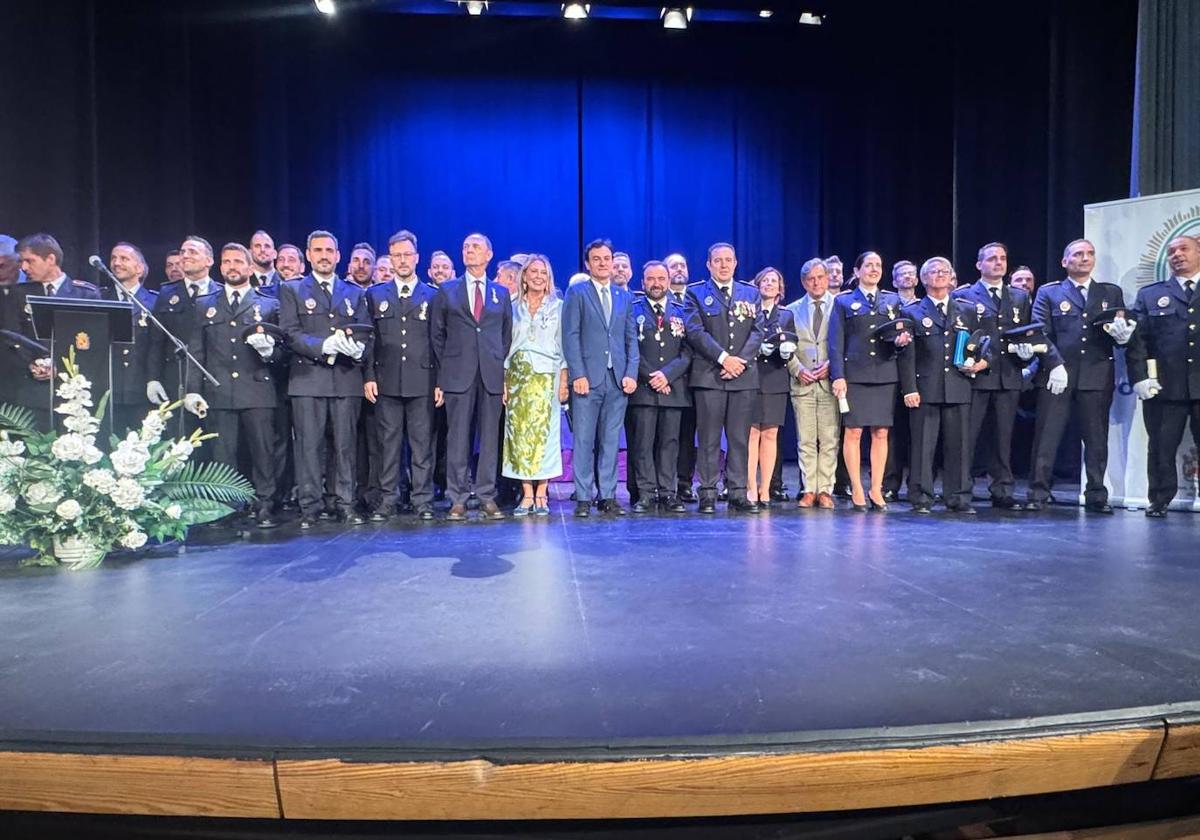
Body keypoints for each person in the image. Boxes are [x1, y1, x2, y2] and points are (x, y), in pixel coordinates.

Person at [1026, 238, 1130, 513]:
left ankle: (1097, 495)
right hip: (1057, 376)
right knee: (1047, 436)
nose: (1084, 258)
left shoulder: (1109, 292)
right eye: (1077, 254)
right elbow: (1041, 331)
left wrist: (1123, 338)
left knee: (1096, 439)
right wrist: (1054, 363)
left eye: (1089, 254)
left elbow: (1117, 332)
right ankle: (1038, 493)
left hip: (1096, 375)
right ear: (1064, 261)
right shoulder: (1050, 293)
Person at [184, 243, 284, 528]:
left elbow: (281, 353)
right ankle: (225, 506)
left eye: (239, 262)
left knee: (262, 453)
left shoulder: (267, 304)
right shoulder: (206, 304)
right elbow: (197, 352)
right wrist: (193, 390)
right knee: (223, 454)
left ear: (250, 267)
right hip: (220, 389)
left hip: (258, 389)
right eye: (227, 262)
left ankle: (264, 503)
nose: (232, 266)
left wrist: (269, 352)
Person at [951, 242, 1055, 510]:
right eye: (992, 259)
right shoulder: (964, 296)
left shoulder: (1019, 297)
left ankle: (1002, 489)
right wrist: (967, 362)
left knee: (1003, 437)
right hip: (975, 377)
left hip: (1007, 375)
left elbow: (1028, 333)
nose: (998, 263)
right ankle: (961, 492)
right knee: (967, 438)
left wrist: (1026, 354)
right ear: (979, 265)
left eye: (1002, 259)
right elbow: (960, 336)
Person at [278, 230, 369, 528]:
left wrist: (359, 349)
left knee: (345, 447)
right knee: (309, 446)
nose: (324, 256)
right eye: (318, 250)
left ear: (338, 256)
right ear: (308, 255)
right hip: (307, 379)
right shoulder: (292, 289)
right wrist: (322, 346)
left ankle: (344, 502)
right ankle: (310, 507)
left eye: (329, 250)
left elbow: (365, 331)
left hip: (345, 379)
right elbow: (289, 333)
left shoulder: (354, 292)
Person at [431, 233, 513, 521]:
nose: (469, 251)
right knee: (458, 439)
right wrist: (445, 372)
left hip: (490, 375)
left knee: (489, 439)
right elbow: (437, 334)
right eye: (465, 247)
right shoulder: (447, 290)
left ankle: (487, 495)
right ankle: (458, 497)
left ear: (489, 255)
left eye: (475, 247)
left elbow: (506, 335)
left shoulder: (500, 293)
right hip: (458, 375)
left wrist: (500, 371)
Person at [899, 257, 988, 514]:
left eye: (944, 271)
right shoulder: (912, 311)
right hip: (925, 389)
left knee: (959, 447)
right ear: (923, 279)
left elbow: (983, 344)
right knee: (923, 446)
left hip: (958, 386)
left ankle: (959, 497)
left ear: (952, 278)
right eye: (933, 272)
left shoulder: (967, 310)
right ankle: (921, 497)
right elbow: (907, 356)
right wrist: (909, 389)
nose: (939, 275)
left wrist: (982, 363)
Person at [683, 242, 763, 513]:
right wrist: (723, 359)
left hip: (743, 375)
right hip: (709, 376)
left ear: (736, 263)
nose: (724, 265)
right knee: (708, 438)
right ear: (709, 264)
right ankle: (707, 491)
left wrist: (738, 362)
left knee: (739, 437)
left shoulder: (750, 293)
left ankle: (738, 492)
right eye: (718, 260)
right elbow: (694, 332)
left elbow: (758, 331)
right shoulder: (695, 293)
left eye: (728, 260)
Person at [363, 230, 438, 521]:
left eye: (407, 255)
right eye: (397, 255)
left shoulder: (432, 295)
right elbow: (368, 341)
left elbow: (439, 342)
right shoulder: (375, 294)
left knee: (422, 445)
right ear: (390, 259)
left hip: (423, 382)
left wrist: (440, 382)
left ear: (417, 258)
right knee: (388, 445)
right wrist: (368, 376)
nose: (403, 260)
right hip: (386, 383)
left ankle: (423, 500)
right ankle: (388, 499)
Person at [828, 251, 912, 511]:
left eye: (878, 265)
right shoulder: (843, 302)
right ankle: (856, 488)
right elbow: (835, 343)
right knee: (853, 432)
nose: (874, 269)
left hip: (885, 374)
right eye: (869, 265)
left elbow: (900, 336)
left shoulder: (892, 300)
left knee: (881, 432)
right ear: (857, 271)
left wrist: (900, 343)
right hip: (855, 376)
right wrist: (838, 376)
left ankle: (876, 488)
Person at [562, 238, 638, 517]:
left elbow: (631, 339)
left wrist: (630, 373)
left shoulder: (624, 297)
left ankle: (607, 496)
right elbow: (570, 336)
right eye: (597, 259)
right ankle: (583, 497)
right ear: (588, 263)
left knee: (610, 440)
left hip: (617, 380)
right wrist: (577, 373)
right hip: (587, 380)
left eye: (607, 258)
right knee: (583, 439)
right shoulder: (577, 293)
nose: (603, 263)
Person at [1127, 234, 1200, 517]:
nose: (1177, 255)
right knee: (1161, 448)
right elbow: (1138, 341)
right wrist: (1140, 377)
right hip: (1165, 386)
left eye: (1184, 249)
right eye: (1172, 251)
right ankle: (1159, 499)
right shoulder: (1151, 295)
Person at [502, 255, 568, 515]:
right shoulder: (511, 306)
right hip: (517, 377)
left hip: (547, 377)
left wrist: (564, 379)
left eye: (544, 272)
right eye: (534, 272)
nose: (539, 276)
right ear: (525, 277)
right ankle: (527, 493)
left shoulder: (559, 307)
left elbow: (564, 347)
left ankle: (542, 492)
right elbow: (503, 346)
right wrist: (503, 381)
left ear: (548, 278)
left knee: (545, 437)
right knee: (518, 437)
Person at [627, 260, 692, 513]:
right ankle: (645, 493)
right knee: (642, 443)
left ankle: (668, 492)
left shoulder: (681, 310)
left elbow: (688, 351)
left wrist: (666, 375)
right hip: (643, 390)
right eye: (651, 279)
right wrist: (652, 377)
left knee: (670, 443)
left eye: (661, 278)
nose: (656, 283)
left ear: (668, 281)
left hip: (673, 388)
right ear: (643, 282)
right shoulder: (632, 310)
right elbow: (629, 348)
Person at [786, 258, 838, 509]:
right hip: (803, 383)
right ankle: (809, 489)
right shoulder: (792, 309)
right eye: (810, 279)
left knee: (829, 438)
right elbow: (785, 346)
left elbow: (845, 343)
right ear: (804, 283)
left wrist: (833, 365)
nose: (816, 283)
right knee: (806, 439)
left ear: (827, 279)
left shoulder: (840, 306)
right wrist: (797, 369)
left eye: (820, 277)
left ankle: (825, 489)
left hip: (830, 382)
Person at [146, 236, 219, 414]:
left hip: (211, 379)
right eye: (182, 252)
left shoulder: (221, 293)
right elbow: (156, 341)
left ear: (209, 260)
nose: (185, 256)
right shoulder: (166, 293)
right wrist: (153, 378)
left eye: (192, 252)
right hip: (175, 378)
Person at [748, 267, 794, 507]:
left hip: (776, 378)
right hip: (751, 377)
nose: (768, 284)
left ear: (780, 288)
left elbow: (792, 342)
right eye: (764, 280)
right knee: (751, 433)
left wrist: (788, 353)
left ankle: (765, 488)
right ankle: (749, 486)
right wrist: (756, 350)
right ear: (756, 285)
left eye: (773, 281)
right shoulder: (748, 311)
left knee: (770, 434)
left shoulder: (786, 315)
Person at [102, 242, 158, 435]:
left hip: (141, 389)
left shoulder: (155, 302)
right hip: (107, 389)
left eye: (124, 258)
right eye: (113, 258)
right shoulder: (99, 299)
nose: (117, 263)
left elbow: (158, 347)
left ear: (139, 268)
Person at [882, 259, 919, 500]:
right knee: (892, 434)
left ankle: (918, 483)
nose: (907, 278)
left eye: (911, 274)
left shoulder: (923, 307)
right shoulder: (888, 306)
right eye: (901, 274)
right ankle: (890, 484)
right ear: (894, 281)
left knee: (918, 433)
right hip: (890, 375)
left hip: (917, 378)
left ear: (917, 280)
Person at [665, 252, 698, 502]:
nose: (679, 269)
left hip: (694, 378)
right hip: (665, 379)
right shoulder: (656, 300)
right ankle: (662, 484)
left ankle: (684, 482)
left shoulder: (697, 297)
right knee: (666, 436)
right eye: (673, 266)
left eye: (682, 264)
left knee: (688, 435)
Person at [249, 230, 282, 295]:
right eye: (257, 246)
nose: (262, 250)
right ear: (249, 253)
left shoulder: (285, 280)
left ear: (275, 254)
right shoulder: (242, 282)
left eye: (267, 246)